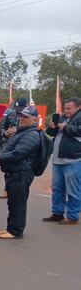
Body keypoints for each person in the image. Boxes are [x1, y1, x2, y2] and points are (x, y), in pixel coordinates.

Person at [0, 105, 42, 239]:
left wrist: (0, 158)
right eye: (21, 116)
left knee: (18, 203)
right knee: (13, 202)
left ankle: (15, 231)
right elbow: (11, 147)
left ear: (35, 119)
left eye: (26, 117)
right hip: (15, 171)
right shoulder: (22, 131)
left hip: (21, 172)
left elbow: (18, 153)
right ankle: (11, 228)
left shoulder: (32, 135)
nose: (22, 118)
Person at [44, 96, 81, 226]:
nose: (66, 110)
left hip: (74, 159)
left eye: (68, 108)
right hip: (58, 159)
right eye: (65, 108)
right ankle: (57, 213)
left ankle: (73, 216)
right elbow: (54, 133)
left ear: (78, 107)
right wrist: (52, 127)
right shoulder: (64, 117)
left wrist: (64, 127)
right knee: (57, 188)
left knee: (73, 190)